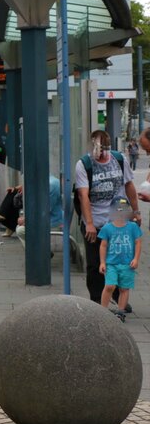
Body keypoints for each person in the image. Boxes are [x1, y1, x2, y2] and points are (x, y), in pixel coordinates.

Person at [75, 129, 139, 307]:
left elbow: (129, 185)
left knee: (120, 259)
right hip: (95, 220)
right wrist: (89, 224)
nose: (99, 153)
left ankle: (119, 297)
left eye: (102, 149)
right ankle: (96, 300)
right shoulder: (84, 164)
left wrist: (136, 212)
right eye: (96, 149)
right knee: (95, 264)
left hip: (119, 218)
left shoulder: (119, 159)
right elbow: (83, 195)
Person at [99, 199, 142, 317]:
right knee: (109, 286)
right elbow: (103, 246)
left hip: (128, 264)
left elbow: (138, 242)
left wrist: (136, 259)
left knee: (124, 288)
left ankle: (120, 312)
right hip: (111, 263)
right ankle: (102, 311)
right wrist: (102, 262)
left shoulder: (133, 227)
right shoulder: (107, 228)